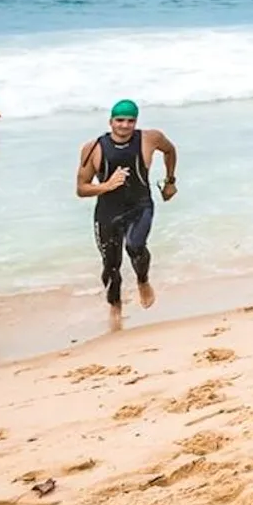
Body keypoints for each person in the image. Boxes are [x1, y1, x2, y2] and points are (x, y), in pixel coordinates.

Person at [75, 99, 178, 333]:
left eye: (130, 121)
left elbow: (170, 150)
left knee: (135, 246)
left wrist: (170, 182)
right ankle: (116, 306)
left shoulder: (150, 139)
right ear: (110, 121)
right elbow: (81, 188)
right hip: (107, 212)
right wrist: (107, 186)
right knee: (111, 265)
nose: (125, 126)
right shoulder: (93, 148)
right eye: (120, 120)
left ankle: (143, 280)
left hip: (140, 206)